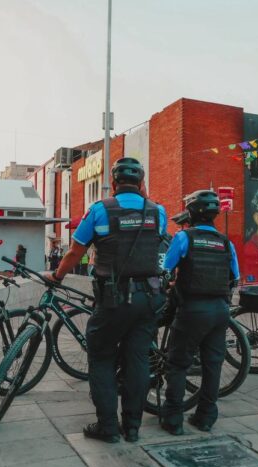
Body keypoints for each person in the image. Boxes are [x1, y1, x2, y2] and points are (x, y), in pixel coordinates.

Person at [46, 157, 167, 444]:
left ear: (113, 184)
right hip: (148, 298)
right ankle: (133, 427)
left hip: (112, 301)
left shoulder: (100, 210)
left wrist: (58, 276)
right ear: (141, 183)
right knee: (138, 360)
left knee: (101, 358)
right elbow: (158, 241)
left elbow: (76, 251)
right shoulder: (157, 211)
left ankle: (108, 427)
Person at [161, 190, 240, 435]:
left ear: (192, 213)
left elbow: (165, 268)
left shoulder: (185, 237)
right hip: (220, 312)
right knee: (212, 365)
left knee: (177, 364)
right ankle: (205, 417)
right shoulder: (226, 242)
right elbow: (234, 277)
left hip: (192, 310)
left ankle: (173, 419)